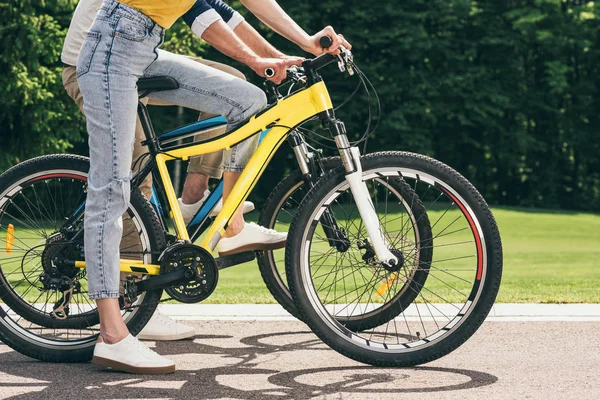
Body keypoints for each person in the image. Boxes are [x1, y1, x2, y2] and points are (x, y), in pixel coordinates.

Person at [77, 0, 351, 374]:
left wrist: (304, 42)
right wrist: (256, 60)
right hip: (110, 50)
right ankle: (111, 334)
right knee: (112, 189)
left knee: (249, 99)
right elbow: (205, 21)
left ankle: (227, 220)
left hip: (144, 46)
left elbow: (246, 5)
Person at [61, 0, 260, 341]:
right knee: (133, 180)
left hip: (140, 58)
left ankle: (195, 196)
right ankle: (132, 301)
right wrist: (261, 59)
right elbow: (203, 16)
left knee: (235, 83)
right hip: (93, 61)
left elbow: (227, 12)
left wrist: (286, 52)